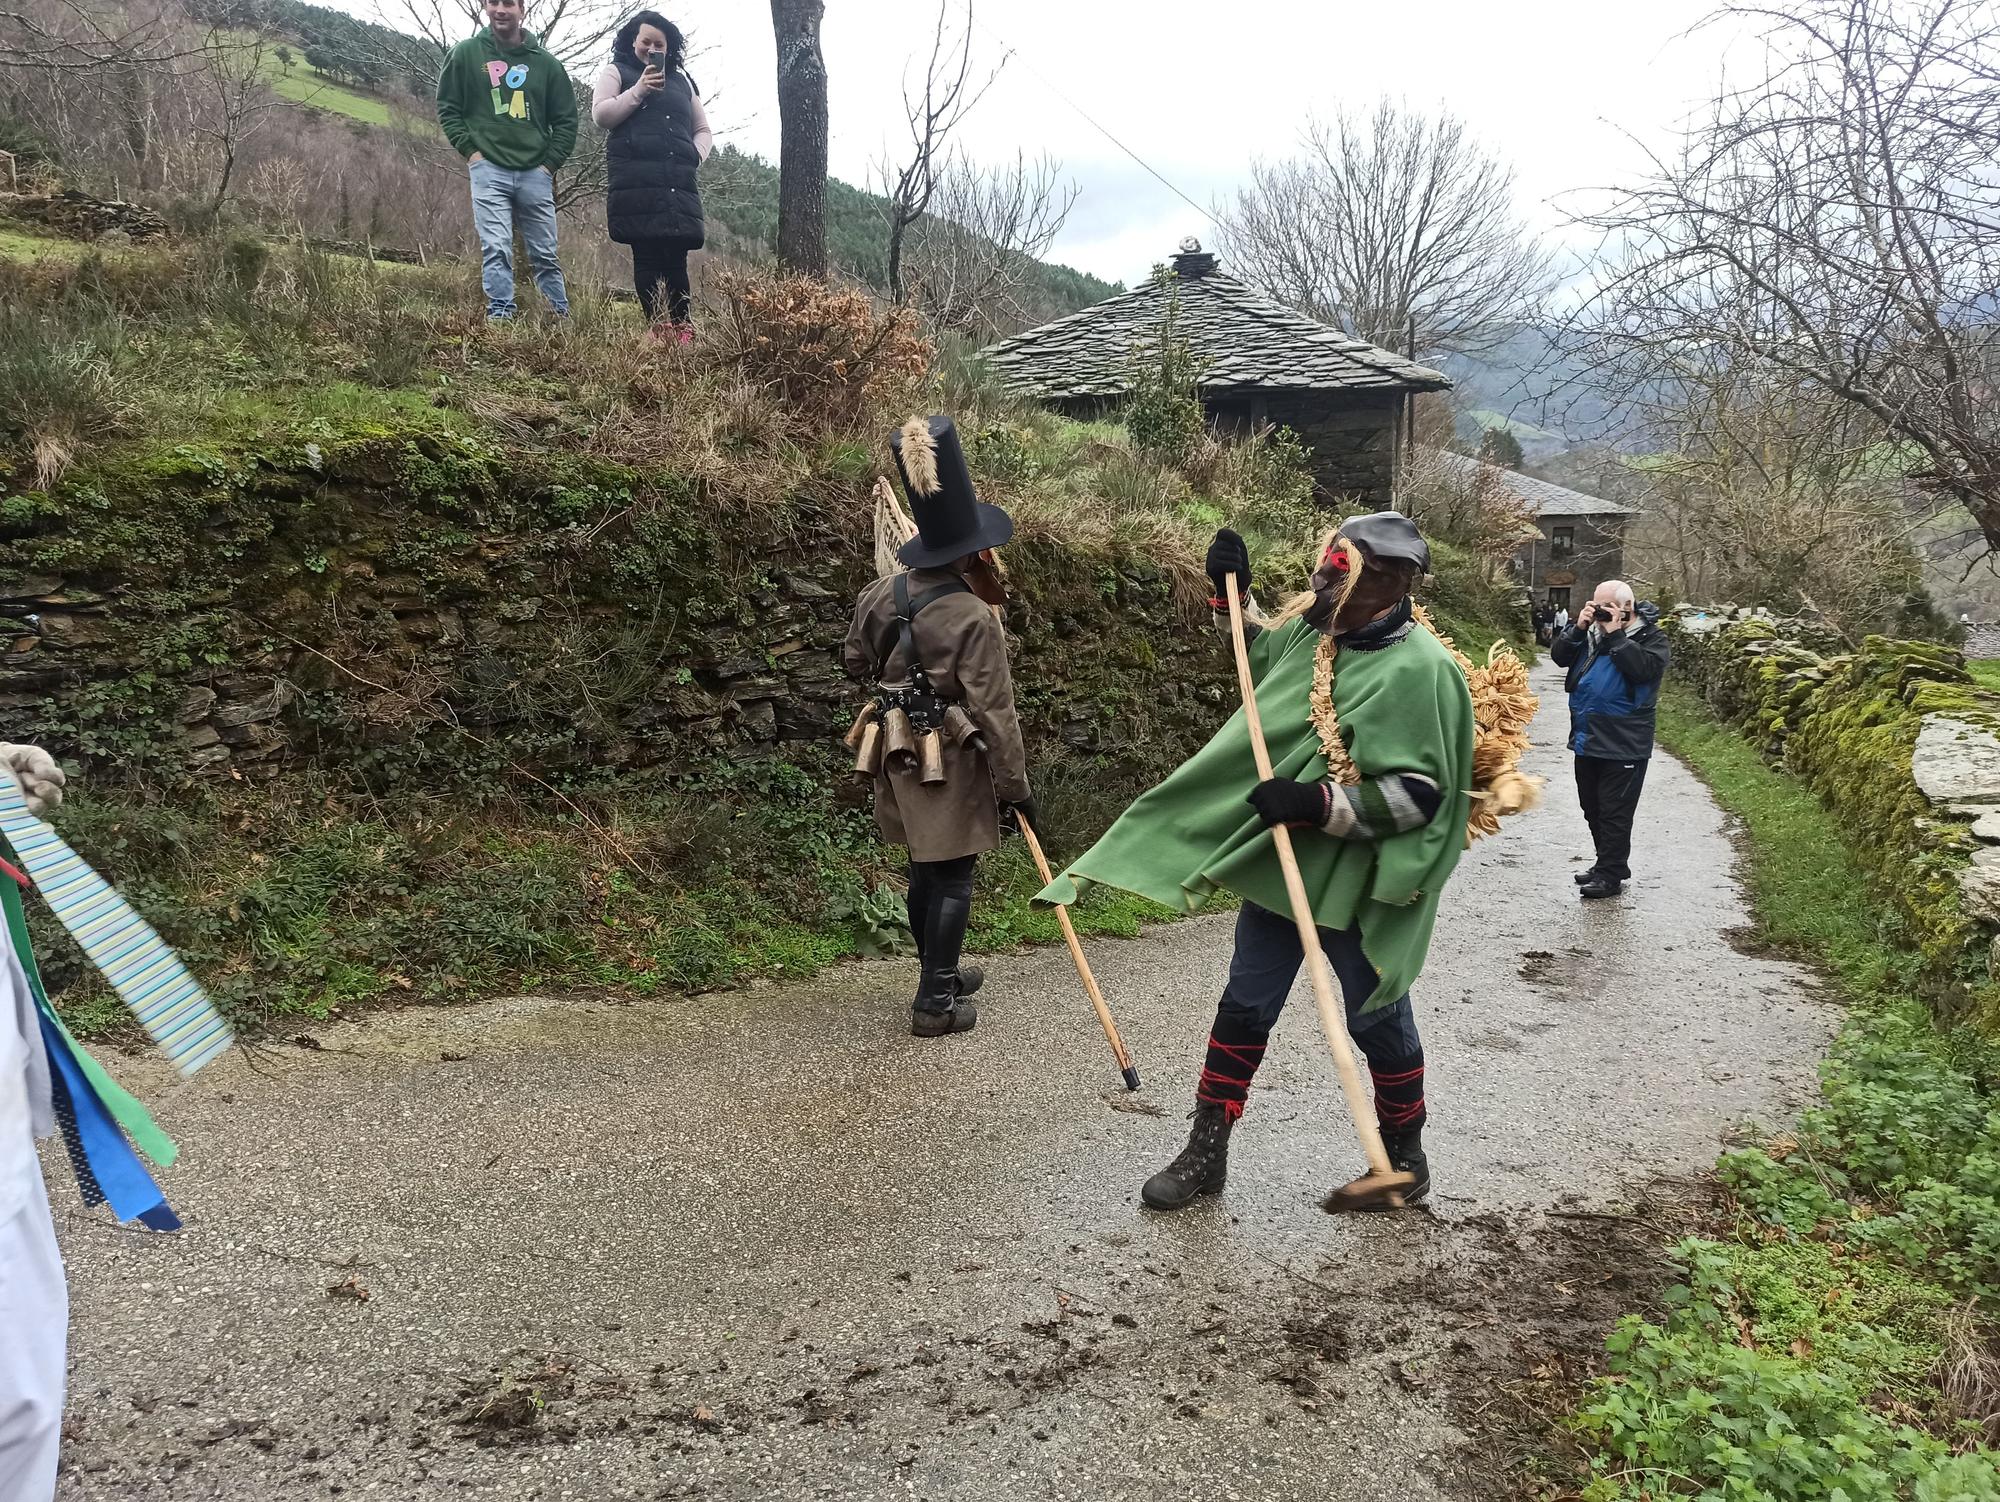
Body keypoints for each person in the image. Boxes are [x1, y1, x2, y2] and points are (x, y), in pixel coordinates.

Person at [1037, 517, 1476, 1213]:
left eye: (1338, 571)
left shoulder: (1422, 671)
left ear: (1389, 583)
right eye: (1325, 565)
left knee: (1377, 1018)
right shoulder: (1318, 629)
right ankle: (1206, 1151)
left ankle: (1405, 1157)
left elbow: (1418, 798)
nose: (1317, 581)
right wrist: (1227, 594)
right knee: (1246, 1003)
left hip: (1363, 881)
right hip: (1286, 867)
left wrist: (1314, 801)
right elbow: (1258, 656)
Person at [844, 417, 1033, 1039]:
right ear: (973, 553)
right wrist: (1015, 787)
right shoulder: (974, 616)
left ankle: (940, 970)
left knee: (925, 867)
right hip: (948, 755)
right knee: (951, 871)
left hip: (893, 749)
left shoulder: (880, 593)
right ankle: (934, 1002)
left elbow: (853, 661)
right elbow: (994, 708)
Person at [436, 0, 579, 321]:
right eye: (494, 2)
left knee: (544, 253)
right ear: (486, 7)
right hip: (488, 168)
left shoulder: (547, 65)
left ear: (522, 9)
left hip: (535, 173)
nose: (501, 9)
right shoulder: (465, 54)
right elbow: (448, 107)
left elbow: (567, 120)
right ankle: (501, 315)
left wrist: (549, 165)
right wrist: (472, 153)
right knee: (496, 246)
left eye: (510, 3)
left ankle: (558, 317)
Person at [593, 11, 712, 340]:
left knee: (677, 257)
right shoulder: (617, 71)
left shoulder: (682, 81)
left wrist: (694, 156)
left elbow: (702, 129)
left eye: (659, 43)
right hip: (636, 180)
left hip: (677, 181)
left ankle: (683, 330)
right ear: (633, 41)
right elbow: (602, 114)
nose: (652, 47)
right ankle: (657, 329)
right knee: (645, 253)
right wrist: (640, 89)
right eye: (646, 41)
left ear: (669, 47)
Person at [1551, 579, 1670, 900]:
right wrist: (1578, 628)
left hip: (1625, 741)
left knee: (1614, 812)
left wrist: (1615, 633)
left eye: (1606, 606)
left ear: (1627, 608)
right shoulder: (1589, 633)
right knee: (1591, 806)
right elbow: (1560, 658)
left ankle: (1611, 873)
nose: (1600, 611)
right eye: (1596, 604)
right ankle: (1608, 863)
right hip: (1587, 735)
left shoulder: (1652, 638)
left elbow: (1643, 671)